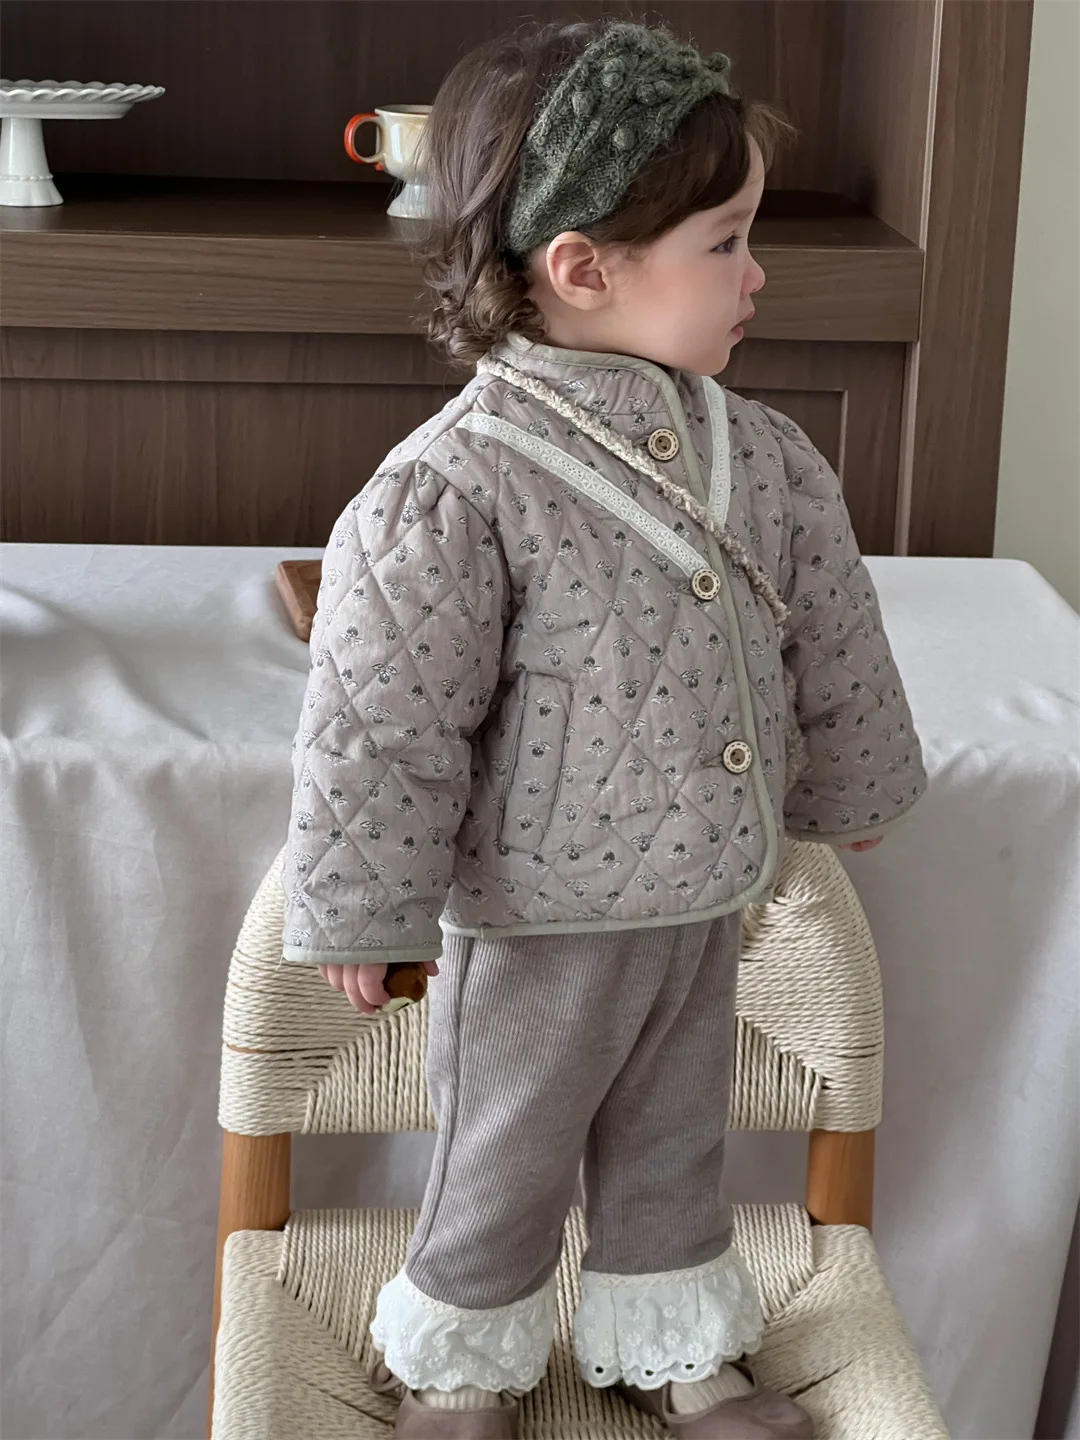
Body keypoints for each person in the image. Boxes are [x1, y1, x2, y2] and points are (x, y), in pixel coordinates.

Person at [281, 17, 927, 1438]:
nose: (757, 274)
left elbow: (832, 633)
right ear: (581, 268)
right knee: (503, 1148)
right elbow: (382, 727)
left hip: (701, 903)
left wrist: (855, 781)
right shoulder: (456, 488)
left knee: (673, 1142)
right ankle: (460, 1366)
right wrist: (367, 908)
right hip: (537, 919)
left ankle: (671, 1341)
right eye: (725, 242)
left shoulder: (765, 455)